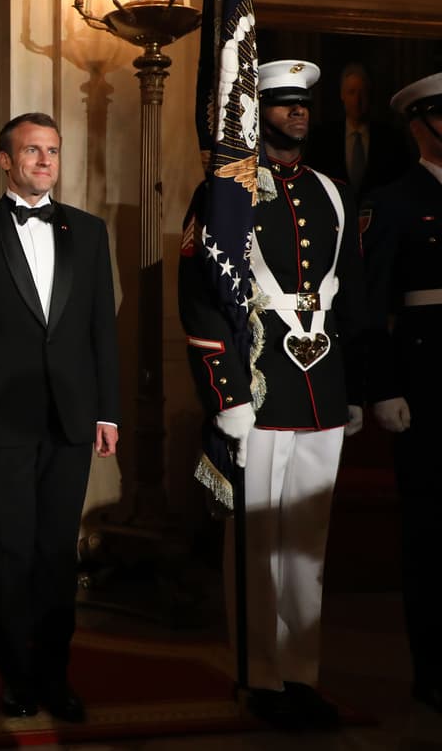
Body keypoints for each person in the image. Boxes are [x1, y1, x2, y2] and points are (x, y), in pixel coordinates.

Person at [179, 59, 363, 729]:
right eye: (284, 106)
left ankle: (301, 673)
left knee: (307, 544)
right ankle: (259, 677)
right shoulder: (225, 194)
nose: (297, 116)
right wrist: (226, 395)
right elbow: (202, 300)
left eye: (303, 107)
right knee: (256, 544)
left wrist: (356, 390)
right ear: (259, 114)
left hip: (321, 386)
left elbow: (351, 297)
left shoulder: (331, 192)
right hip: (261, 387)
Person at [0, 112, 119, 723]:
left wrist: (108, 410)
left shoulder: (89, 232)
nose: (44, 160)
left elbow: (101, 332)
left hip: (71, 417)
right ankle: (14, 678)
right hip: (1, 419)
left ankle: (55, 676)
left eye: (53, 151)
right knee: (10, 552)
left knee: (57, 552)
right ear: (6, 161)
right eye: (32, 151)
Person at [361, 71, 442, 714]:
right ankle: (432, 668)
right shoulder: (391, 200)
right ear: (422, 124)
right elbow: (370, 302)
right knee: (430, 530)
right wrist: (382, 386)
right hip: (426, 376)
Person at [307, 62, 413, 203]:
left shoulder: (391, 139)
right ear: (342, 95)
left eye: (363, 93)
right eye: (351, 92)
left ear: (371, 95)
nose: (357, 100)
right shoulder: (322, 138)